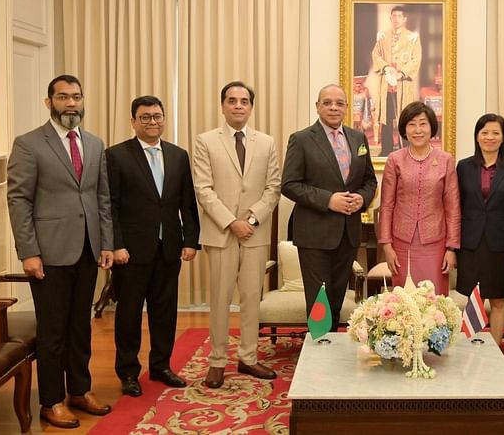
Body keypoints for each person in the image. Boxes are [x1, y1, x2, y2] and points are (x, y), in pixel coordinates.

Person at [7, 75, 114, 429]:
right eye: (63, 97)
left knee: (80, 327)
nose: (71, 103)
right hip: (48, 253)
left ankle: (80, 391)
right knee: (53, 331)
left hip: (87, 249)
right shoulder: (29, 144)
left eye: (77, 97)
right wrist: (29, 252)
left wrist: (106, 243)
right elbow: (19, 199)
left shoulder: (96, 144)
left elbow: (101, 198)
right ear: (48, 101)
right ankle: (51, 401)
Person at [105, 95, 200, 397]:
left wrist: (190, 240)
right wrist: (116, 245)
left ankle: (161, 366)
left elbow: (187, 202)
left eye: (157, 116)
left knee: (165, 312)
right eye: (145, 117)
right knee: (129, 315)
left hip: (168, 247)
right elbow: (111, 206)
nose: (152, 122)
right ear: (133, 121)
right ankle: (128, 373)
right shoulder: (116, 155)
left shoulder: (178, 155)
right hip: (130, 252)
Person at [192, 81, 281, 388]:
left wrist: (252, 219)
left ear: (251, 107)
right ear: (223, 106)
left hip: (255, 234)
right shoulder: (205, 141)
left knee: (251, 298)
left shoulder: (267, 142)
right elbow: (203, 189)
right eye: (232, 100)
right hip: (221, 233)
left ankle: (248, 358)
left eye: (244, 101)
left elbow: (273, 187)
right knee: (219, 298)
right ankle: (217, 361)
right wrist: (232, 222)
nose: (238, 106)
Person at [282, 84, 378, 330]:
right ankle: (318, 351)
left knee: (336, 297)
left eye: (339, 103)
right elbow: (290, 184)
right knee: (319, 300)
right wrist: (329, 200)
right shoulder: (301, 139)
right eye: (327, 102)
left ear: (346, 107)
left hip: (348, 232)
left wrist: (361, 198)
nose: (334, 107)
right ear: (317, 106)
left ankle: (331, 348)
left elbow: (369, 180)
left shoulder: (357, 138)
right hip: (315, 233)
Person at [456, 114, 504, 342]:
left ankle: (496, 351)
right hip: (471, 243)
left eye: (496, 133)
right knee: (473, 297)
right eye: (485, 132)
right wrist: (454, 246)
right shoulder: (464, 167)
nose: (490, 137)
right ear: (477, 136)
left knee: (497, 299)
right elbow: (457, 208)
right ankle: (469, 345)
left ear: (503, 137)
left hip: (500, 245)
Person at [379, 101, 461, 296]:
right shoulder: (394, 159)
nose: (418, 130)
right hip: (401, 242)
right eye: (412, 124)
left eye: (423, 123)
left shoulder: (445, 160)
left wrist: (452, 248)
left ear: (431, 127)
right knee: (404, 301)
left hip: (435, 243)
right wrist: (387, 245)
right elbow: (387, 205)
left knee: (433, 299)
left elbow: (453, 207)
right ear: (404, 129)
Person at [372, 5, 422, 156]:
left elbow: (416, 59)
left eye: (400, 16)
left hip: (403, 84)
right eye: (394, 16)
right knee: (386, 118)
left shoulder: (412, 38)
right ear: (390, 18)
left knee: (405, 116)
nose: (396, 19)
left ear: (404, 18)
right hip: (387, 84)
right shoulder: (383, 36)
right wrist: (386, 67)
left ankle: (406, 149)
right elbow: (376, 55)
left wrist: (402, 74)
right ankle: (386, 149)